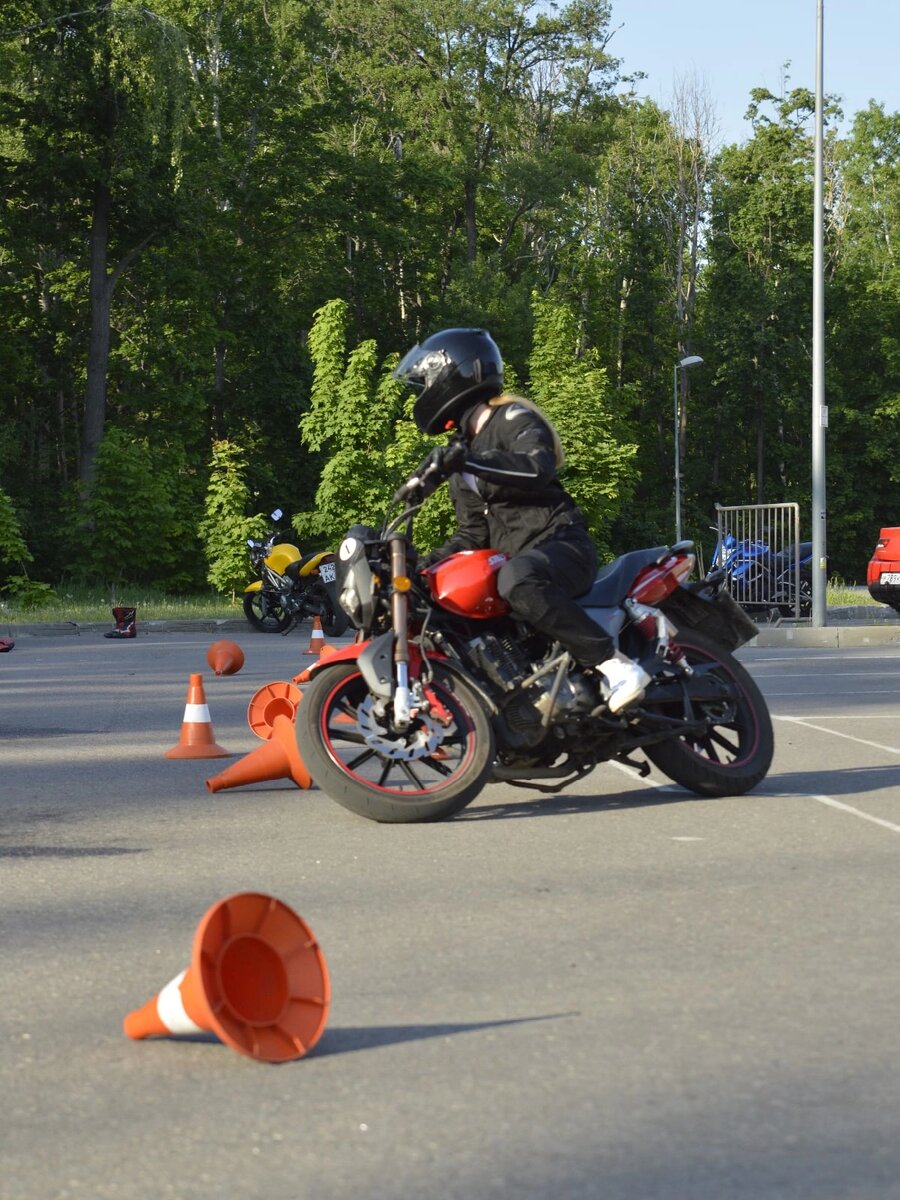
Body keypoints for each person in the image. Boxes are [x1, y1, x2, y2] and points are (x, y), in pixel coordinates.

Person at [393, 327, 650, 714]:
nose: (421, 394)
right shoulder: (461, 457)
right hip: (517, 565)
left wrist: (466, 460)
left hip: (560, 546)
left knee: (516, 578)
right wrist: (422, 566)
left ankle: (615, 665)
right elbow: (472, 537)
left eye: (424, 383)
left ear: (453, 373)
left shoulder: (512, 416)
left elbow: (536, 467)